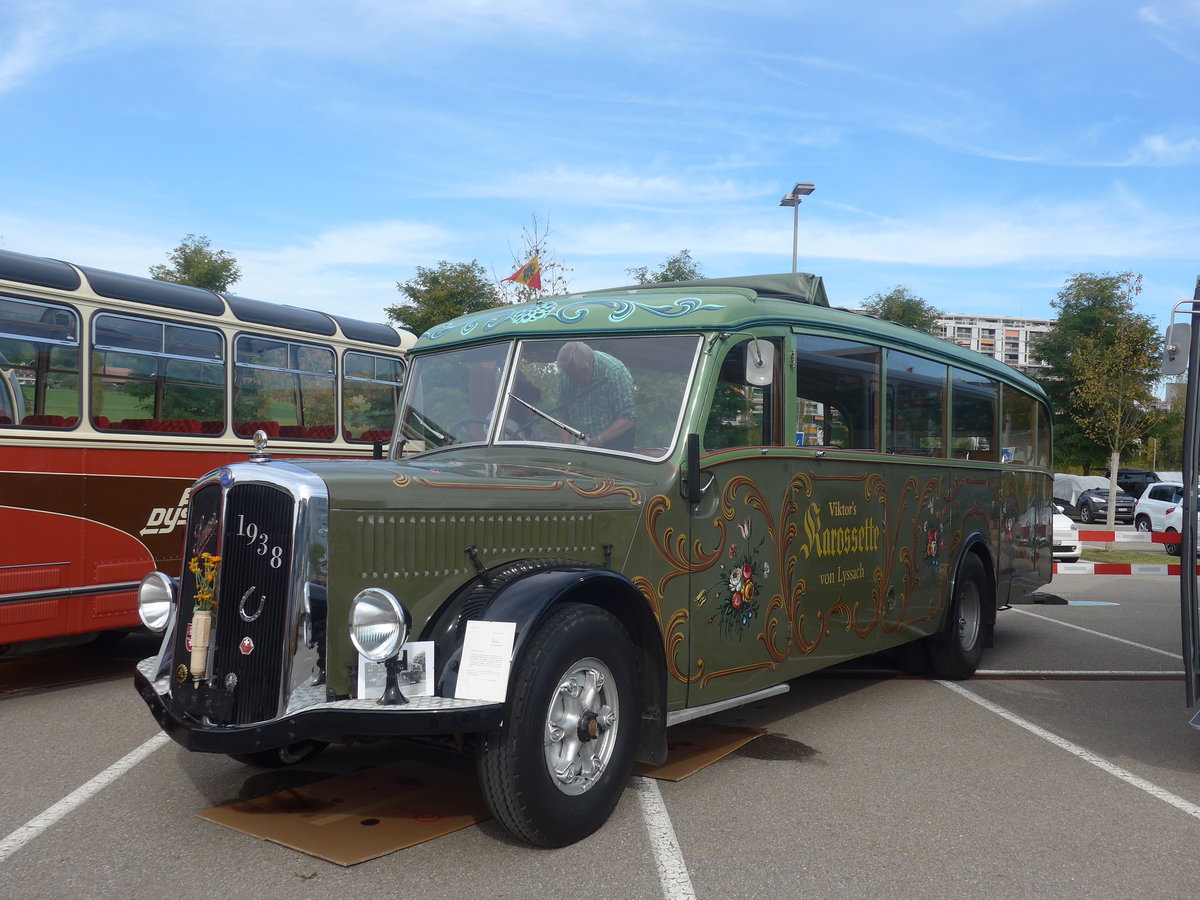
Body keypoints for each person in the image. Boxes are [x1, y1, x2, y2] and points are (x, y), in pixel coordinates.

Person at [555, 341, 635, 450]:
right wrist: (566, 442)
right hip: (577, 445)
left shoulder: (615, 373)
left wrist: (597, 441)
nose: (574, 379)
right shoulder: (565, 374)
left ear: (590, 363)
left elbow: (627, 418)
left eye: (578, 374)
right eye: (571, 375)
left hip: (615, 445)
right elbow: (561, 414)